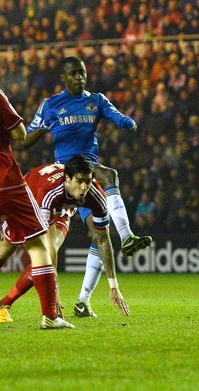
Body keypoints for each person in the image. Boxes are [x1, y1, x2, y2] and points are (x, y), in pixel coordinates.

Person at [23, 56, 151, 318]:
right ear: (64, 77)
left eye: (82, 73)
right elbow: (25, 141)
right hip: (66, 174)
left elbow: (117, 116)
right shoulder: (51, 105)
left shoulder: (97, 100)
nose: (80, 77)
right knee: (110, 175)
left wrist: (128, 123)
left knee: (98, 234)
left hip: (89, 169)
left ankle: (82, 301)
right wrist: (44, 125)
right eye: (74, 73)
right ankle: (126, 236)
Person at [0, 154, 130, 322]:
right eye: (79, 181)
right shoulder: (48, 191)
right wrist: (55, 295)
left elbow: (103, 239)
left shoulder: (96, 196)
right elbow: (48, 248)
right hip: (30, 197)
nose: (84, 187)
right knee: (5, 253)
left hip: (62, 207)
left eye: (88, 182)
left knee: (45, 254)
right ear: (68, 179)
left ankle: (4, 304)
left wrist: (114, 286)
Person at [0, 88, 73, 329]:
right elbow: (20, 133)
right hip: (6, 181)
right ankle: (50, 317)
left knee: (6, 248)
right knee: (39, 244)